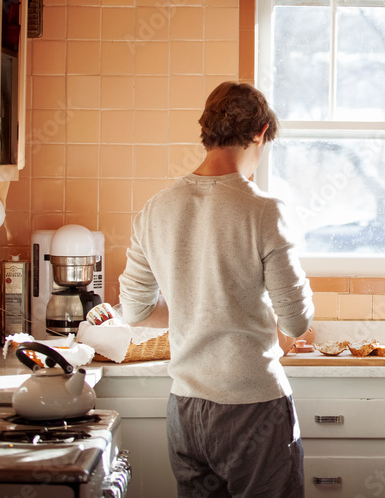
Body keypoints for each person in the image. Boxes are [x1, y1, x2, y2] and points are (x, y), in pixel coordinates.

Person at [118, 81, 314, 498]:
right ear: (260, 132)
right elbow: (296, 322)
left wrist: (197, 310)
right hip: (254, 407)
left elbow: (134, 311)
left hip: (185, 410)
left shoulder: (156, 209)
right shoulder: (265, 211)